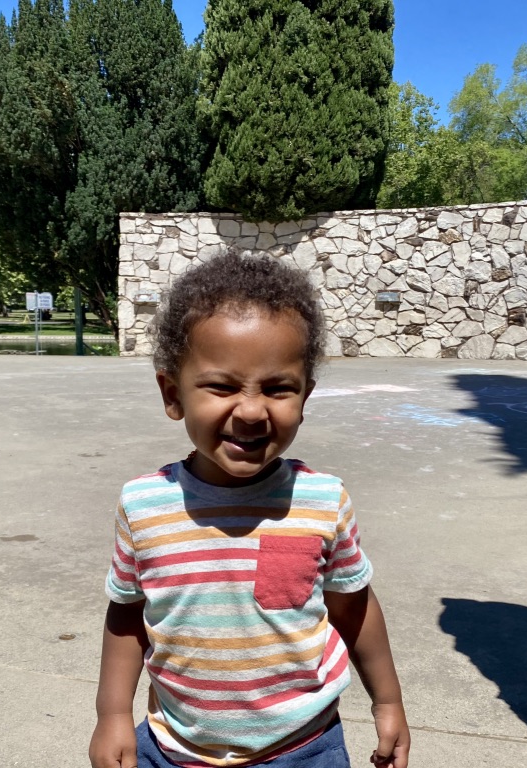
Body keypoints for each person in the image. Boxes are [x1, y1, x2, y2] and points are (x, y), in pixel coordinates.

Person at [89, 249, 410, 768]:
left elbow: (353, 607)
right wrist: (113, 715)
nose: (253, 410)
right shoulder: (144, 505)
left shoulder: (323, 502)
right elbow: (127, 613)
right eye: (221, 385)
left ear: (305, 397)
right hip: (174, 748)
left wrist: (388, 701)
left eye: (279, 388)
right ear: (173, 394)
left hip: (304, 747)